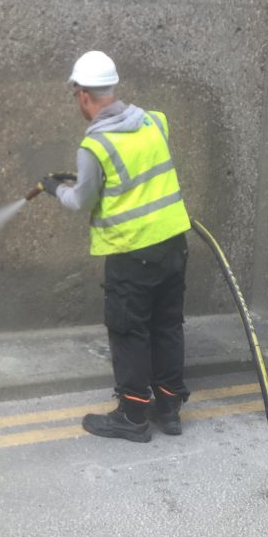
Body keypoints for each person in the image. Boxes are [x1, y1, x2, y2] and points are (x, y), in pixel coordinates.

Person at [40, 50, 190, 443]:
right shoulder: (155, 122)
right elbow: (138, 173)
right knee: (167, 325)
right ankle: (169, 410)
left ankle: (133, 415)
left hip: (131, 253)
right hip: (174, 243)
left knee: (129, 331)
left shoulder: (94, 147)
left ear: (84, 95)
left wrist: (57, 188)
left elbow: (82, 202)